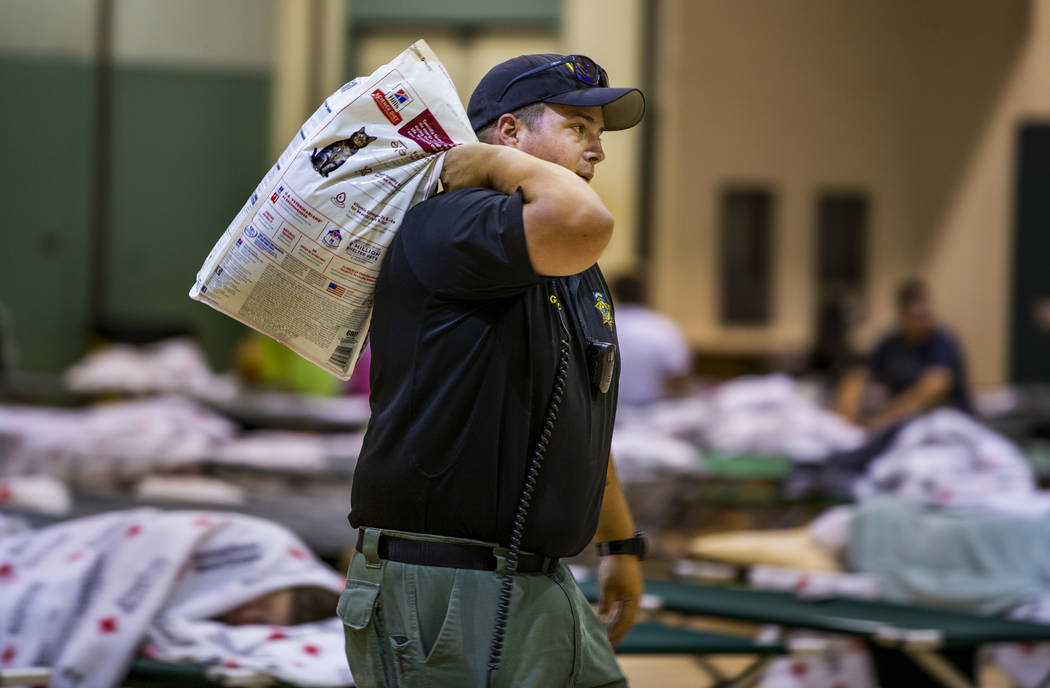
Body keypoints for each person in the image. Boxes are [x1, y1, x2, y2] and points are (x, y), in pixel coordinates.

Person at [338, 54, 646, 687]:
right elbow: (586, 218)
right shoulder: (452, 223)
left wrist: (620, 544)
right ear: (509, 132)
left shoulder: (560, 257)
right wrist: (491, 166)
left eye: (600, 134)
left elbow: (581, 411)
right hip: (448, 584)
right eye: (578, 128)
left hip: (537, 580)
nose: (598, 150)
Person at [835, 278, 972, 432]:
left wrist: (884, 417)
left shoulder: (943, 342)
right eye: (915, 316)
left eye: (925, 313)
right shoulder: (891, 343)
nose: (922, 320)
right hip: (902, 423)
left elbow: (934, 388)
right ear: (902, 315)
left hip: (945, 423)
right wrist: (846, 415)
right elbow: (858, 375)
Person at [610, 273, 691, 405]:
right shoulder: (662, 327)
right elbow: (679, 375)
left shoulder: (605, 326)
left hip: (610, 411)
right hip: (652, 412)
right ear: (645, 293)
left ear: (614, 292)